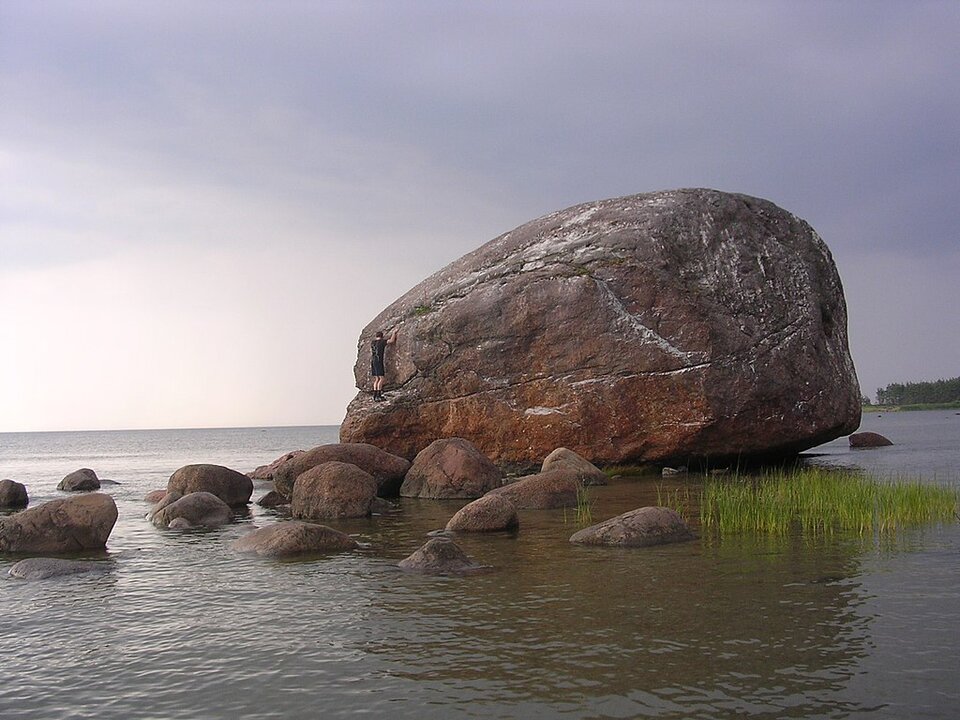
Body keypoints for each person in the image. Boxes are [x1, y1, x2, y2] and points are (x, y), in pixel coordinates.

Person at [370, 327, 398, 401]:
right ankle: (379, 395)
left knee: (377, 378)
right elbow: (391, 341)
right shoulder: (382, 342)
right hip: (379, 361)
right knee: (381, 378)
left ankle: (375, 395)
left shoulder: (373, 342)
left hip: (373, 361)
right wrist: (394, 333)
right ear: (382, 336)